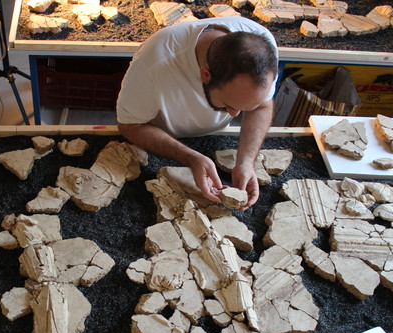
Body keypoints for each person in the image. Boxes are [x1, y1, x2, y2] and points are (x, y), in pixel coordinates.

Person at [116, 16, 279, 210]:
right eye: (228, 104)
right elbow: (130, 125)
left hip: (214, 137)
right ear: (205, 74)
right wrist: (190, 157)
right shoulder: (155, 62)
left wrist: (246, 161)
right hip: (162, 137)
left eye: (242, 107)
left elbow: (262, 106)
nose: (235, 115)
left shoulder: (262, 46)